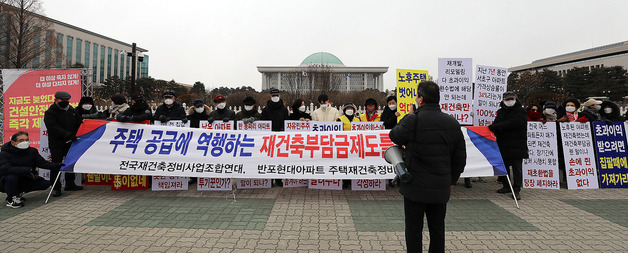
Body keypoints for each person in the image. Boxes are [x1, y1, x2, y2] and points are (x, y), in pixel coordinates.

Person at [389, 81, 466, 253]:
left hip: (414, 186)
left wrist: (407, 117)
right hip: (440, 187)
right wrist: (450, 180)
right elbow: (460, 159)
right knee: (437, 229)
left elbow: (394, 136)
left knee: (413, 229)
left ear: (420, 99)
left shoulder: (413, 120)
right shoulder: (452, 123)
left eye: (417, 96)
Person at [0, 131, 60, 208]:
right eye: (21, 140)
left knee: (45, 184)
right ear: (13, 142)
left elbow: (42, 163)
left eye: (27, 140)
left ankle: (18, 193)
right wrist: (27, 169)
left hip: (26, 177)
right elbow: (6, 169)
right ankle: (11, 199)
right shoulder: (4, 154)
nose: (25, 142)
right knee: (12, 177)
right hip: (6, 181)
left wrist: (57, 165)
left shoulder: (32, 151)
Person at [489, 91, 528, 200]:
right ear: (503, 100)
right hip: (503, 144)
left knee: (517, 168)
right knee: (503, 167)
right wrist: (494, 128)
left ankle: (516, 189)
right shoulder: (501, 112)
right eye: (507, 99)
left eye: (511, 99)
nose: (509, 101)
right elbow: (496, 124)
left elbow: (515, 123)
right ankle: (506, 185)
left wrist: (498, 127)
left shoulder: (521, 111)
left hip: (517, 144)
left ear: (515, 99)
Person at [43, 91, 83, 197]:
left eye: (67, 100)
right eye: (62, 100)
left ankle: (70, 184)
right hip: (57, 143)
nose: (65, 102)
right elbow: (53, 127)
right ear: (56, 99)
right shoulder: (50, 112)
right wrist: (67, 134)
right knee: (56, 164)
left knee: (70, 162)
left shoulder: (72, 110)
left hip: (71, 142)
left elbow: (79, 123)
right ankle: (56, 187)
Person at [261, 88, 289, 187]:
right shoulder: (266, 109)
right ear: (270, 96)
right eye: (273, 96)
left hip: (281, 137)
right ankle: (270, 179)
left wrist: (282, 131)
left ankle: (278, 179)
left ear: (280, 96)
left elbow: (286, 122)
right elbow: (263, 123)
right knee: (269, 159)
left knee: (280, 159)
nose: (275, 97)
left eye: (277, 95)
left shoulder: (284, 109)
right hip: (269, 137)